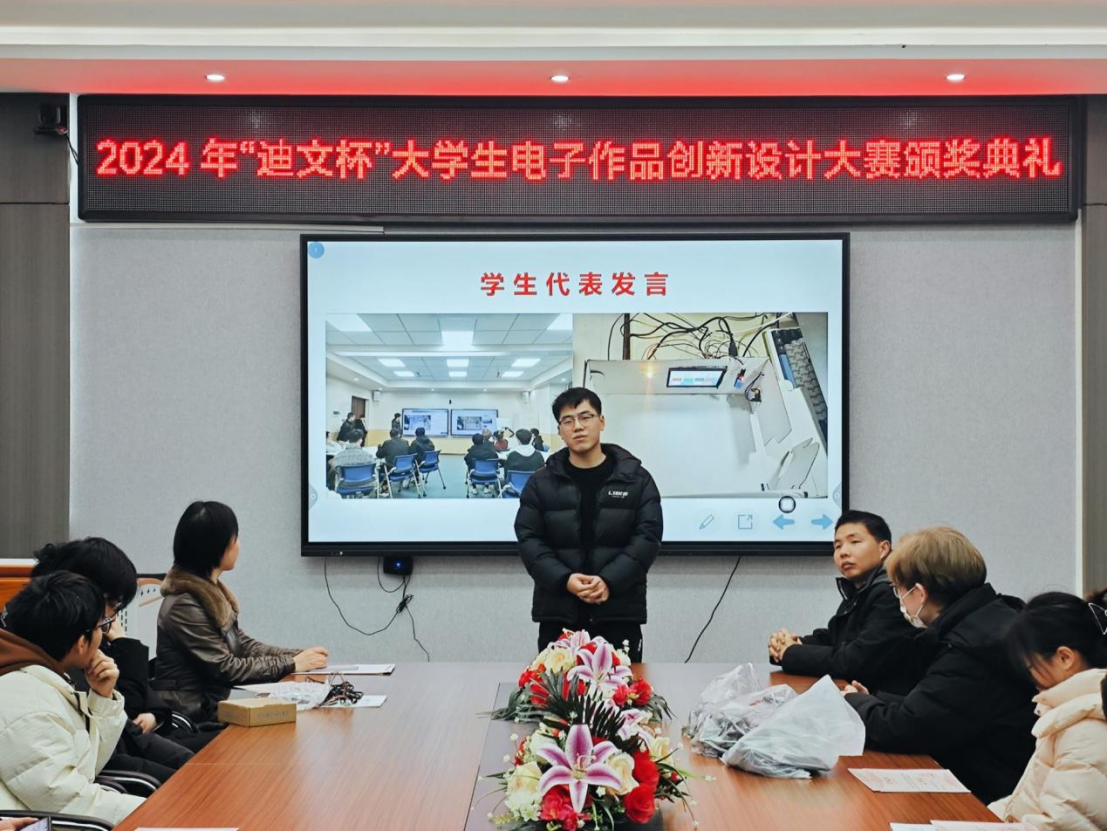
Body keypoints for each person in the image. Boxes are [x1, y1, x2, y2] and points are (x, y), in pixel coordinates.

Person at [843, 527, 1036, 803]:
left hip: (992, 794)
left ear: (919, 593)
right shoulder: (991, 618)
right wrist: (875, 701)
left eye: (898, 590)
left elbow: (909, 728)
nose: (898, 599)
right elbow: (941, 705)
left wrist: (854, 703)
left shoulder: (970, 647)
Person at [31, 537, 209, 782]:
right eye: (112, 603)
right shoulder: (62, 647)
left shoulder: (92, 634)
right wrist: (123, 644)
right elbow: (124, 714)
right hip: (113, 763)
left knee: (204, 767)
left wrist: (155, 714)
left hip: (133, 740)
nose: (113, 615)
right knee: (195, 778)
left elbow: (139, 704)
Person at [514, 387, 662, 662]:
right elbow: (529, 540)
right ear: (560, 430)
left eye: (585, 417)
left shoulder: (636, 479)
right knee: (557, 688)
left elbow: (647, 538)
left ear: (601, 421)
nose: (578, 426)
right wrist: (565, 580)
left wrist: (609, 581)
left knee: (623, 687)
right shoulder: (540, 483)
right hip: (559, 613)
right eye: (568, 420)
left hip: (618, 612)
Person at [155, 501, 329, 723]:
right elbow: (226, 669)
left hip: (208, 711)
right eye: (235, 538)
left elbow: (243, 645)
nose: (239, 545)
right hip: (191, 720)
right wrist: (292, 664)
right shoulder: (184, 605)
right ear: (216, 547)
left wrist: (296, 656)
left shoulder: (207, 592)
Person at [0, 573, 145, 824]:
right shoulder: (28, 705)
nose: (103, 636)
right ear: (80, 642)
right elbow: (70, 803)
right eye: (101, 626)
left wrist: (102, 697)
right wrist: (159, 810)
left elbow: (86, 767)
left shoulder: (39, 678)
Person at [989, 589, 1107, 830]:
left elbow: (1061, 824)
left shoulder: (1087, 727)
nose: (1030, 677)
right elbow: (1026, 800)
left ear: (1064, 658)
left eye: (1030, 666)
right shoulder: (1070, 712)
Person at [768, 510, 916, 693]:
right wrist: (789, 644)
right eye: (837, 546)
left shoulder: (892, 593)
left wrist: (791, 653)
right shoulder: (861, 590)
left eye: (855, 542)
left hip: (885, 703)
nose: (843, 552)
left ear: (883, 549)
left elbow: (855, 660)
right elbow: (835, 638)